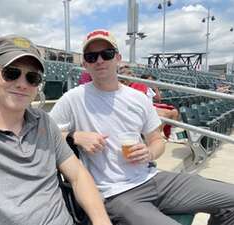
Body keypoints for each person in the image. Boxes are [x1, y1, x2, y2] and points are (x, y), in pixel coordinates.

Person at [50, 29, 234, 225]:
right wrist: (74, 136)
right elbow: (43, 133)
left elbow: (157, 140)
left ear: (118, 58)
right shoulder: (73, 99)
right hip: (116, 193)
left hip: (153, 178)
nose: (100, 60)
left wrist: (149, 153)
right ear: (85, 64)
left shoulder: (137, 98)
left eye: (107, 54)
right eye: (91, 56)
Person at [0, 34, 112, 225]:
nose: (22, 84)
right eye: (11, 73)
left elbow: (77, 175)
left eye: (32, 77)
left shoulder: (43, 121)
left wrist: (102, 220)